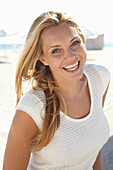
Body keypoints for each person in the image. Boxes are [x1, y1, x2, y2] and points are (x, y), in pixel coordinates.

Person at [3, 11, 110, 170]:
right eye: (56, 50)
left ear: (83, 41)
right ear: (43, 58)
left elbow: (93, 144)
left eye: (74, 43)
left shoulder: (100, 78)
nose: (71, 56)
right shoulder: (33, 108)